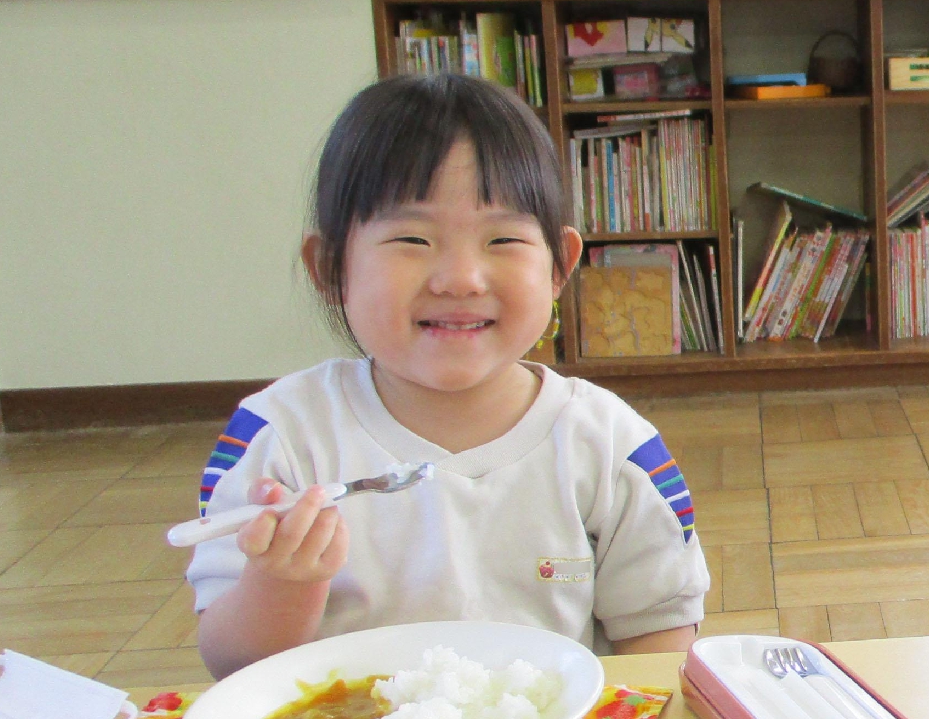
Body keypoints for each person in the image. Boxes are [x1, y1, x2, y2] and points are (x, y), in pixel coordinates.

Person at [186, 75, 708, 677]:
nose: (461, 279)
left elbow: (659, 645)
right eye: (412, 238)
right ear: (330, 267)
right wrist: (280, 584)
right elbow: (231, 666)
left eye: (503, 238)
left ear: (561, 264)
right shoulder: (282, 438)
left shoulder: (610, 443)